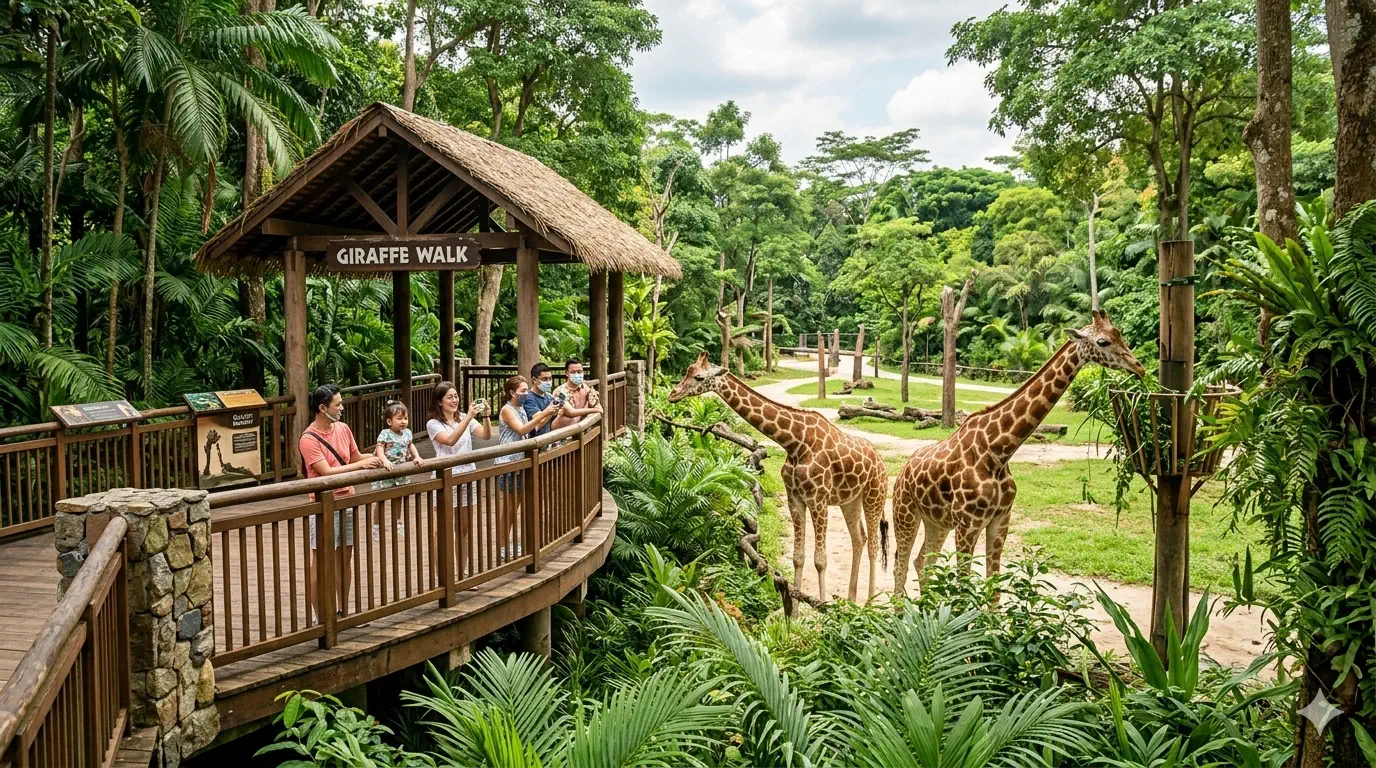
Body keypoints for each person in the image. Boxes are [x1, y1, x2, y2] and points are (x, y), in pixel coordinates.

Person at [298, 384, 385, 616]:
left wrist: (382, 455)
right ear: (322, 408)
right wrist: (360, 465)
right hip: (324, 504)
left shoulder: (343, 429)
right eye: (338, 404)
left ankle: (343, 609)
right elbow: (325, 471)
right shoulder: (308, 439)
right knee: (321, 559)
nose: (342, 407)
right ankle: (319, 614)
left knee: (344, 557)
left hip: (347, 499)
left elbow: (355, 456)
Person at [495, 376, 560, 558]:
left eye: (525, 390)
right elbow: (522, 430)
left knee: (521, 505)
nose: (525, 394)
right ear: (511, 393)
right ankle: (502, 547)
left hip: (522, 461)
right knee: (508, 509)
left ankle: (518, 543)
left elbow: (534, 427)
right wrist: (545, 411)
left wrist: (549, 414)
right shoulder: (507, 410)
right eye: (522, 391)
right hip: (509, 463)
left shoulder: (521, 408)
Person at [372, 401, 424, 489]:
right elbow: (379, 448)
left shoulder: (407, 433)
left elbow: (410, 445)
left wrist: (417, 456)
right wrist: (384, 460)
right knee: (381, 495)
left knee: (400, 492)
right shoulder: (385, 433)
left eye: (405, 418)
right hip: (386, 467)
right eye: (399, 418)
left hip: (401, 467)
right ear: (389, 421)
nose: (403, 421)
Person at [550, 358, 603, 431]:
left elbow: (598, 407)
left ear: (583, 372)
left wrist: (594, 408)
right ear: (566, 373)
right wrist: (589, 407)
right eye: (573, 372)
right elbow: (570, 412)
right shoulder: (559, 392)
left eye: (579, 371)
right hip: (563, 432)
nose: (577, 374)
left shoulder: (587, 388)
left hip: (582, 431)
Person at [523, 362, 557, 437]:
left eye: (550, 378)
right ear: (534, 380)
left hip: (547, 438)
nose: (548, 382)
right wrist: (550, 412)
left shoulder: (549, 397)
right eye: (545, 379)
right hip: (534, 441)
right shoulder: (528, 398)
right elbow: (538, 423)